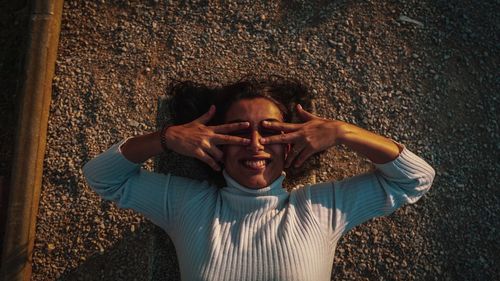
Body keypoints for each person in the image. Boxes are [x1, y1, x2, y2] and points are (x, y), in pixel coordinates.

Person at [83, 77, 435, 281]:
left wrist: (342, 132)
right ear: (214, 140)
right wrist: (167, 138)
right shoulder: (189, 205)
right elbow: (102, 177)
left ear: (292, 143)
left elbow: (416, 178)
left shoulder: (319, 209)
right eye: (237, 132)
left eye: (270, 132)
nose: (254, 144)